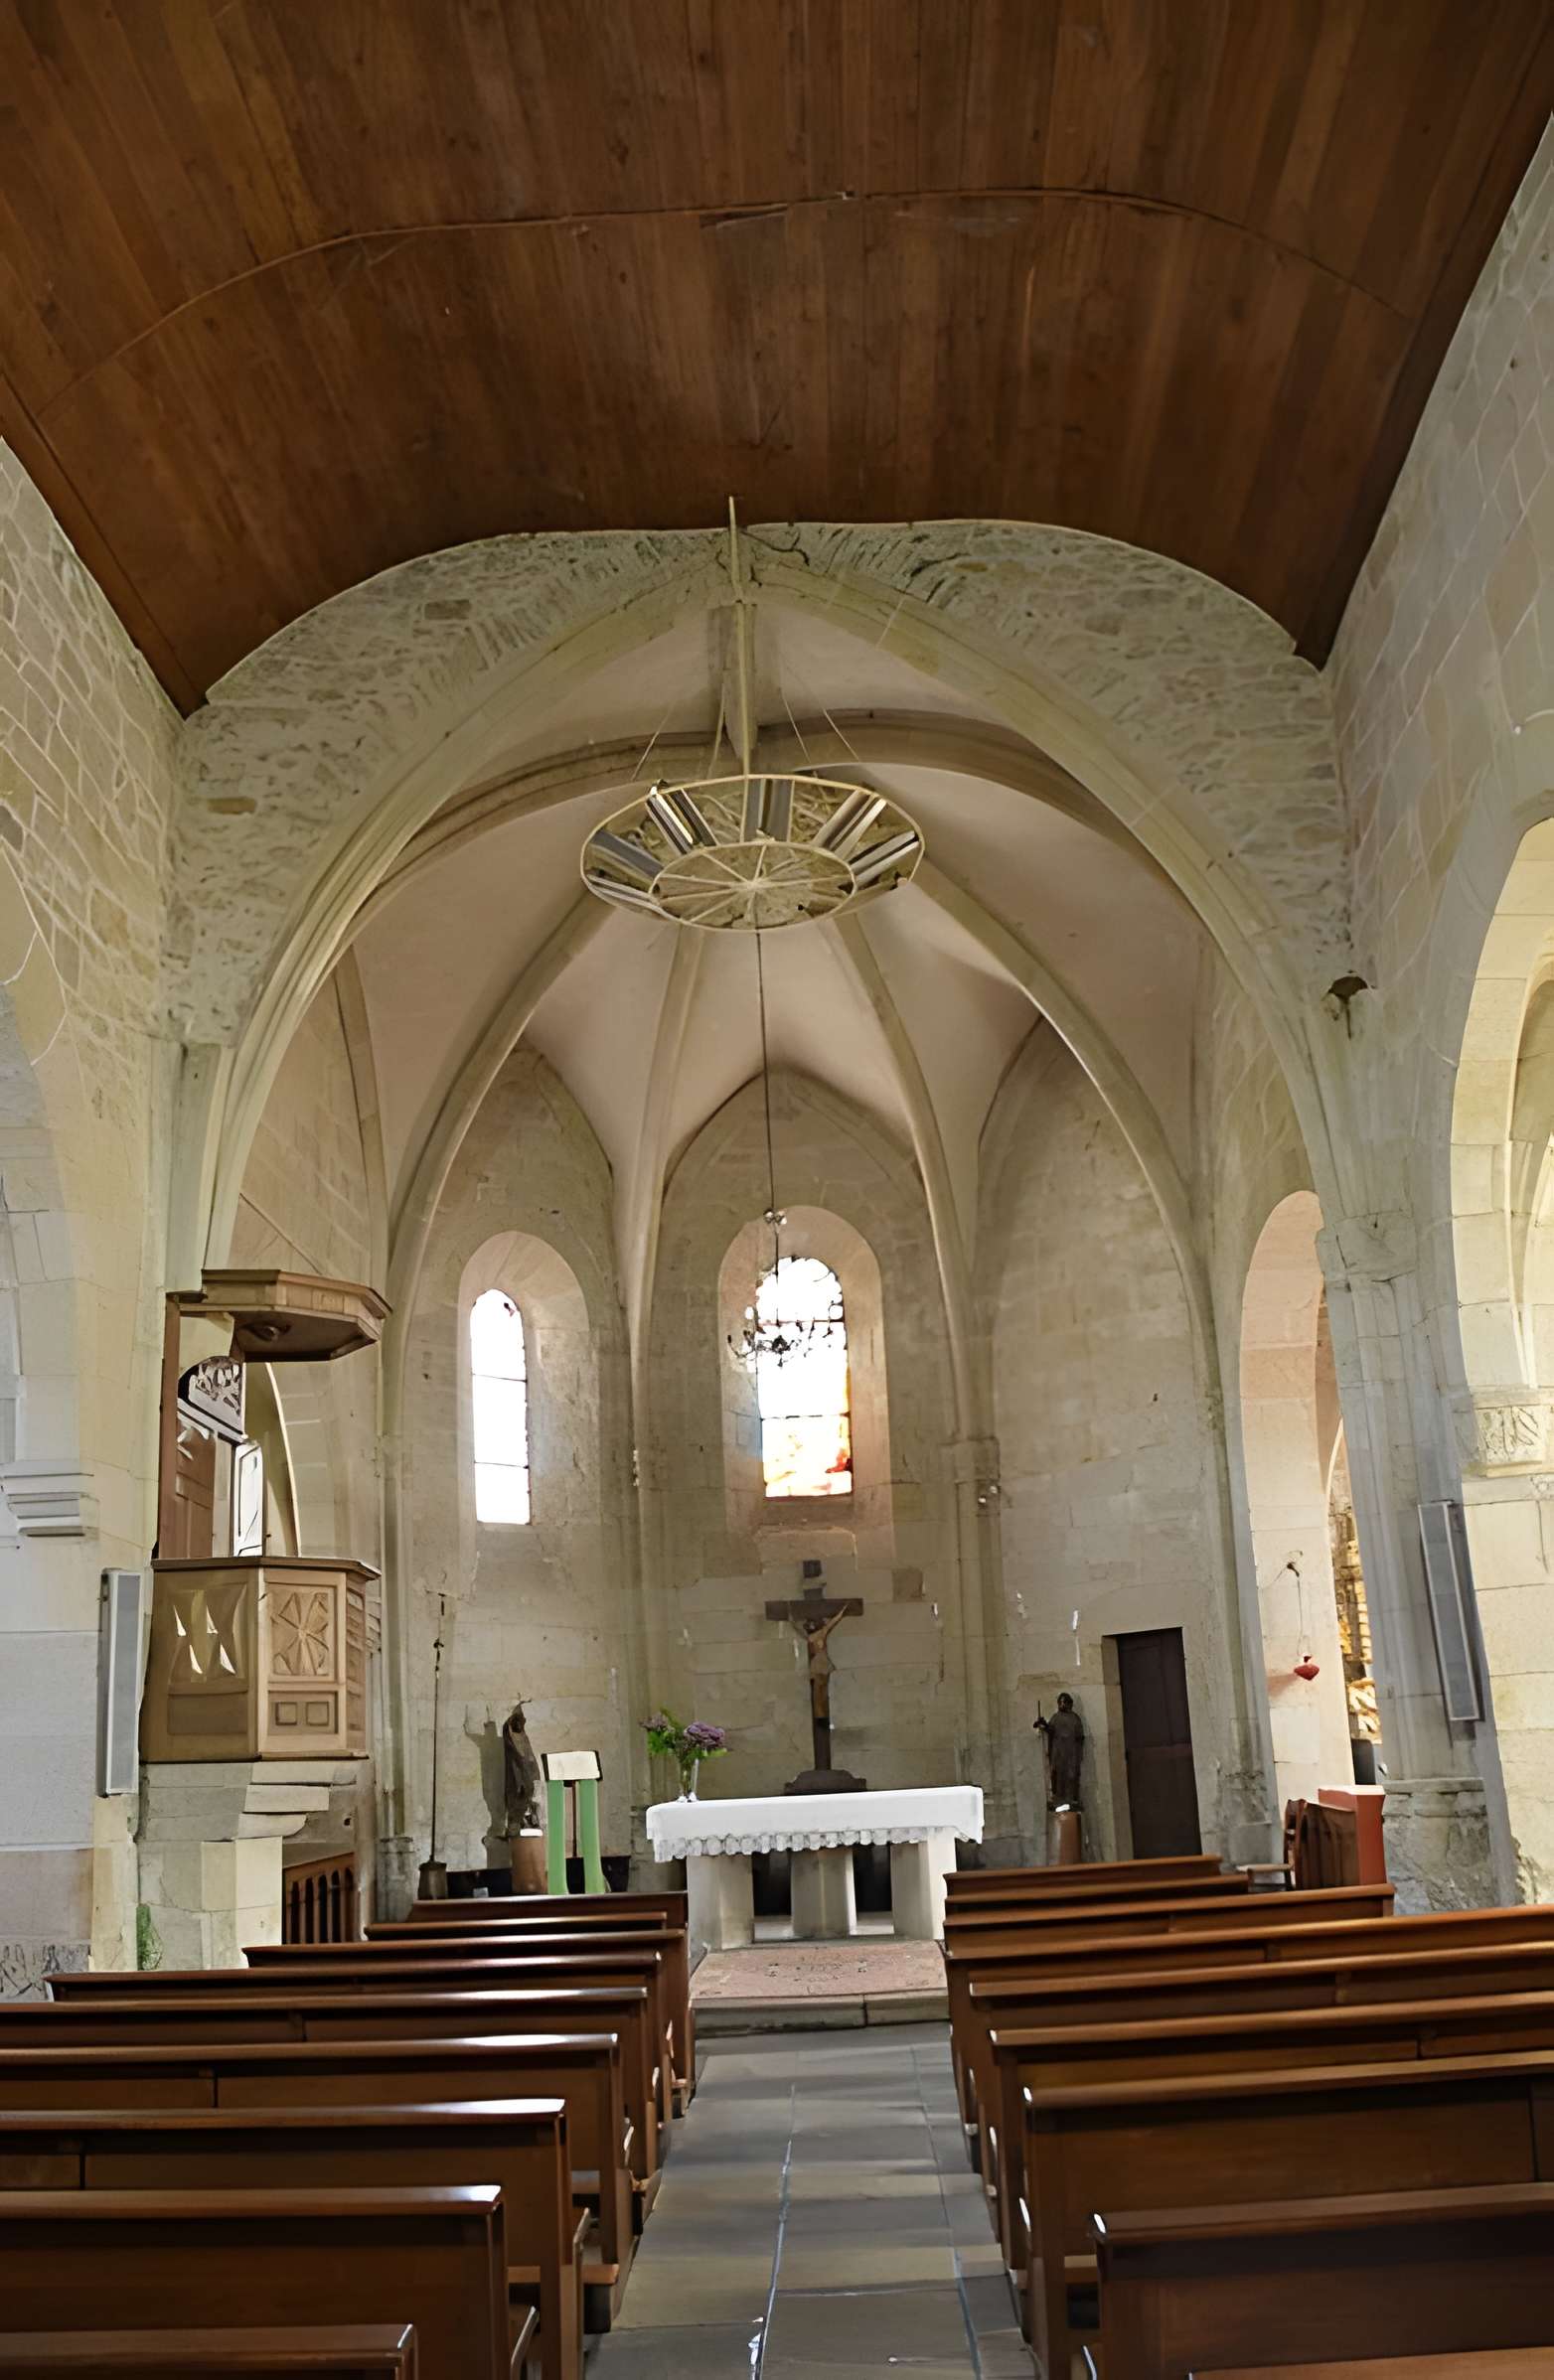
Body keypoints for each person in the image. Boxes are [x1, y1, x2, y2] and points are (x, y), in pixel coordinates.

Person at [1033, 1692, 1084, 1809]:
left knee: (1071, 1775)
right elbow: (1051, 1729)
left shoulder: (1074, 1718)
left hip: (1071, 1752)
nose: (1062, 1705)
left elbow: (1080, 1736)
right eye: (1060, 1702)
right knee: (1057, 1775)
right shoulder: (1056, 1717)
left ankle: (1071, 1799)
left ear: (1069, 1704)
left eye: (1064, 1702)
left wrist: (1078, 1750)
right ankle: (1059, 1798)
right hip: (1058, 1752)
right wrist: (1043, 1724)